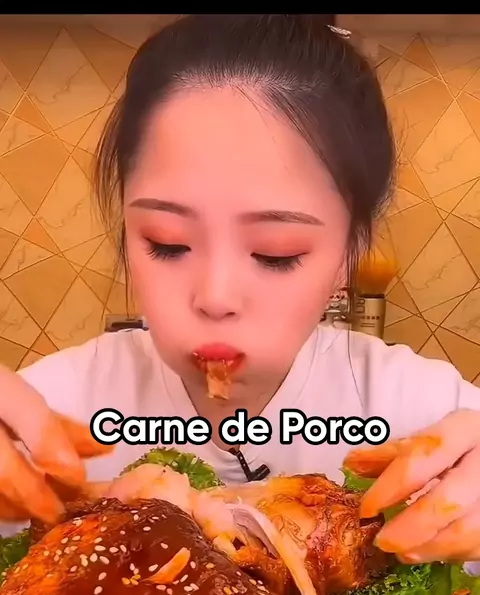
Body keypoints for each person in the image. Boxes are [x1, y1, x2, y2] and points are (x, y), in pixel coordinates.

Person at [1, 13, 479, 565]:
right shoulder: (52, 416)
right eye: (167, 243)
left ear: (349, 253)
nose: (216, 296)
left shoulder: (424, 414)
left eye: (276, 252)